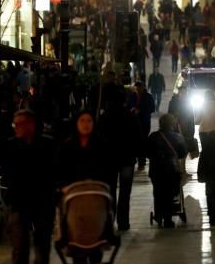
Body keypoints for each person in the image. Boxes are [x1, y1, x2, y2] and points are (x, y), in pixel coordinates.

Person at [1, 110, 56, 264]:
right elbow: (7, 173)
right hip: (18, 203)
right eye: (15, 124)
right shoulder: (10, 146)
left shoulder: (47, 145)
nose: (17, 128)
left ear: (31, 124)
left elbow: (51, 173)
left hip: (42, 203)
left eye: (20, 124)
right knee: (19, 250)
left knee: (42, 247)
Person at [99, 89, 142, 231]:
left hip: (108, 159)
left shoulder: (105, 117)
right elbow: (137, 136)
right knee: (125, 191)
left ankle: (109, 221)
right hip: (126, 158)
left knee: (109, 191)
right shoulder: (130, 116)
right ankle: (123, 222)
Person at [147, 114, 187, 228]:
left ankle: (159, 215)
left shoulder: (153, 136)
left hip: (156, 169)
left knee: (158, 192)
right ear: (172, 124)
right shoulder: (177, 137)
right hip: (172, 169)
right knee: (170, 192)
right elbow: (183, 153)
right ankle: (168, 219)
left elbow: (147, 152)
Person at [57, 110, 114, 189]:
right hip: (72, 191)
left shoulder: (103, 145)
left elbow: (109, 171)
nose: (86, 124)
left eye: (89, 121)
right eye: (82, 120)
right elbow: (60, 171)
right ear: (76, 123)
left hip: (97, 190)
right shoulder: (67, 146)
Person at [129, 81, 155, 168]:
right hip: (134, 122)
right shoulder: (132, 96)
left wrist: (141, 110)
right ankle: (138, 158)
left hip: (144, 122)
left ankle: (142, 160)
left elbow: (152, 108)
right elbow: (128, 106)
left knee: (143, 140)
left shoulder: (148, 97)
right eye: (136, 88)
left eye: (139, 88)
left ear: (143, 87)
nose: (138, 90)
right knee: (136, 140)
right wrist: (132, 110)